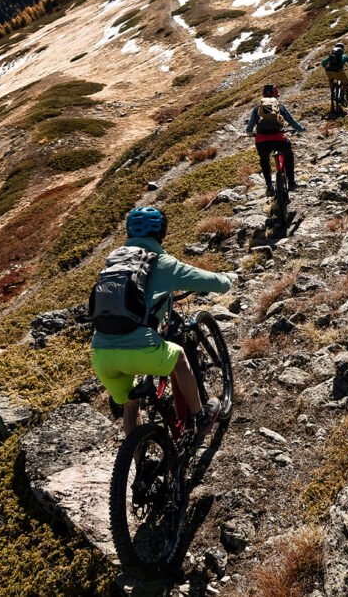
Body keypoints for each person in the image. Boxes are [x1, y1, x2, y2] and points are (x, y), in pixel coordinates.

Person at [89, 206, 234, 436]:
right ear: (162, 232)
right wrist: (228, 280)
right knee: (179, 357)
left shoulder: (114, 260)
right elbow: (210, 282)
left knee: (131, 404)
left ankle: (140, 465)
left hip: (102, 355)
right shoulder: (163, 263)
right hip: (141, 349)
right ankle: (200, 416)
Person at [244, 84, 305, 193]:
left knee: (264, 160)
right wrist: (300, 129)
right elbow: (292, 122)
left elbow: (249, 129)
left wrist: (251, 133)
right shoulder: (280, 107)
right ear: (275, 95)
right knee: (288, 155)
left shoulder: (257, 109)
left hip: (262, 141)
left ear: (263, 95)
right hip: (279, 139)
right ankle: (291, 182)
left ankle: (269, 186)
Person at [321, 43, 348, 108]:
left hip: (328, 71)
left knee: (331, 79)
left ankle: (332, 93)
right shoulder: (344, 56)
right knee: (346, 83)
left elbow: (323, 63)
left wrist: (327, 67)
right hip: (338, 71)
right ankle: (341, 95)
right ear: (343, 49)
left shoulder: (331, 55)